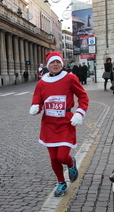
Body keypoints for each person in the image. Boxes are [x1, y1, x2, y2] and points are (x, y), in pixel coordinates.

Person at [29, 51, 89, 197]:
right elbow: (37, 101)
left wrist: (80, 112)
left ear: (62, 63)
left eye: (58, 62)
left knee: (62, 156)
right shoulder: (42, 83)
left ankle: (70, 163)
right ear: (48, 65)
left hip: (65, 123)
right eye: (52, 62)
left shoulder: (70, 78)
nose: (55, 65)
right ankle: (61, 182)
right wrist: (35, 108)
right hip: (49, 124)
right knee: (53, 158)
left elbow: (83, 96)